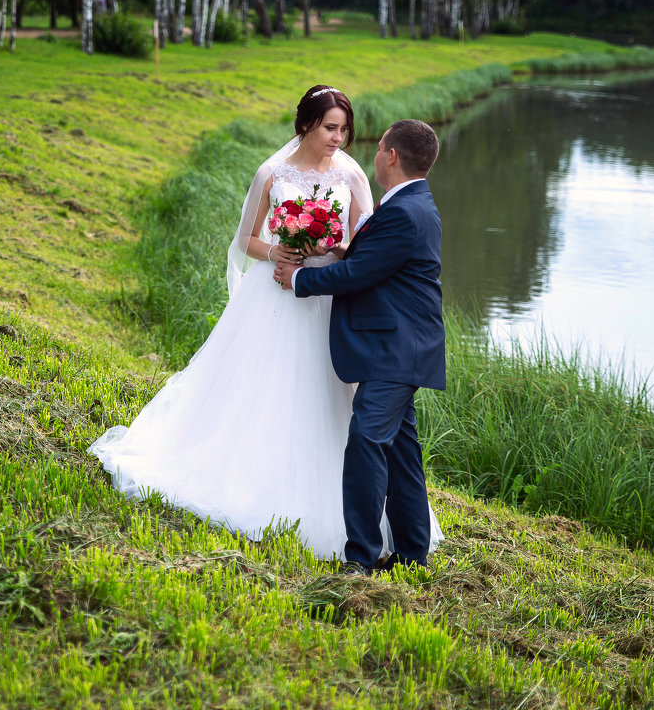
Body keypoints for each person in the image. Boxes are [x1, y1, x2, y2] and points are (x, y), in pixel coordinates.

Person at [90, 87, 443, 563]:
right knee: (268, 390)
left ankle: (370, 540)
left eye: (345, 129)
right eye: (329, 127)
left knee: (336, 404)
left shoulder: (353, 175)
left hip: (324, 299)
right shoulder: (272, 173)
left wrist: (325, 253)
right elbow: (247, 240)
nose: (338, 138)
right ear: (305, 125)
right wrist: (278, 250)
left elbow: (364, 249)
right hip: (276, 292)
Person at [274, 119, 445, 576]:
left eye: (379, 147)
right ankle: (412, 555)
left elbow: (357, 274)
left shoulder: (404, 212)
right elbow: (370, 262)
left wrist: (299, 278)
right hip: (401, 346)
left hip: (397, 348)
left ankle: (361, 560)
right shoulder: (410, 204)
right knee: (402, 453)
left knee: (367, 441)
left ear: (389, 155)